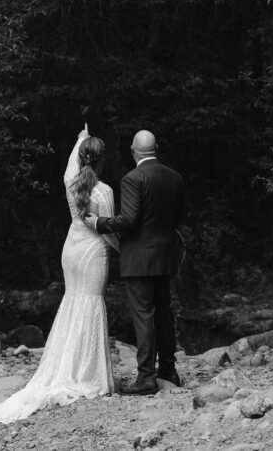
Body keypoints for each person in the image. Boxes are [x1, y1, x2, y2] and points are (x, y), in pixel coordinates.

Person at [0, 124, 118, 423]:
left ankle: (66, 367)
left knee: (73, 302)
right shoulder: (104, 191)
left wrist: (80, 138)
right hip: (92, 251)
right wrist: (127, 250)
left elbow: (70, 163)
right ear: (101, 161)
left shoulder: (71, 184)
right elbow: (109, 231)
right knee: (91, 303)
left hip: (70, 250)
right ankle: (88, 374)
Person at [83, 129, 185, 395]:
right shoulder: (175, 177)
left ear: (133, 151)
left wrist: (98, 223)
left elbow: (128, 219)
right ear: (156, 148)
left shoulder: (133, 178)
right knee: (164, 313)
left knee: (143, 316)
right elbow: (177, 217)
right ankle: (169, 371)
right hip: (166, 256)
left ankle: (146, 378)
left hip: (139, 258)